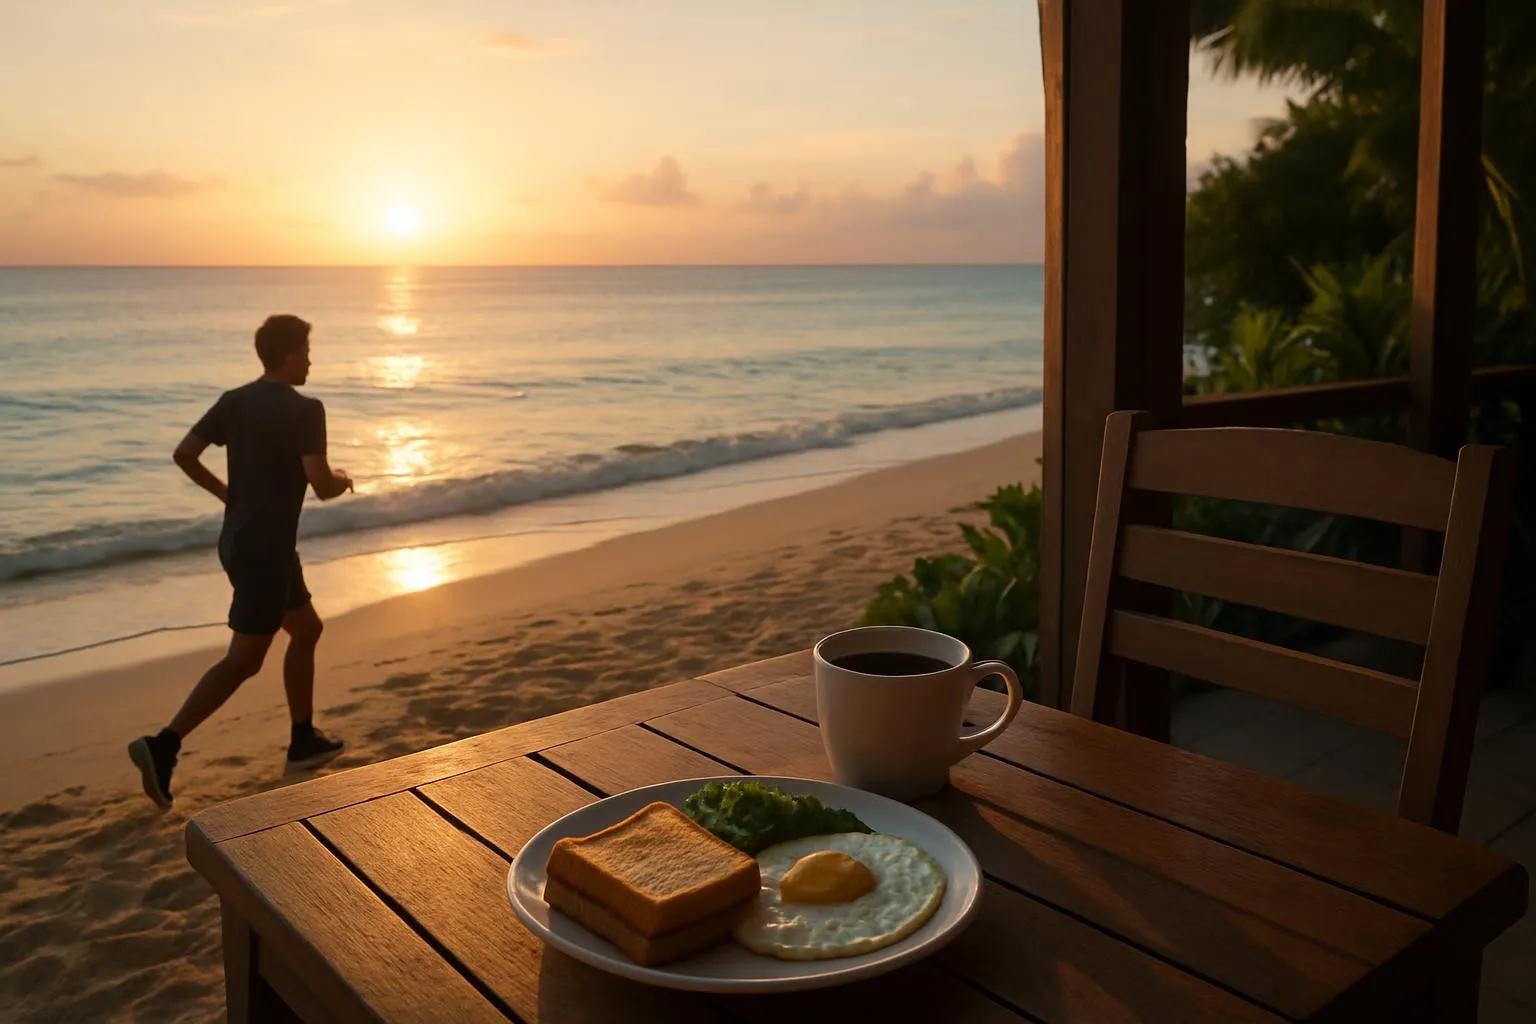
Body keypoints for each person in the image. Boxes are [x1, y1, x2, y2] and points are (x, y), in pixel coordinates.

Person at [128, 314, 354, 809]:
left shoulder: (235, 401)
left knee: (307, 630)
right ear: (290, 353)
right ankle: (163, 744)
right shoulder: (306, 409)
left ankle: (302, 739)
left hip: (241, 542)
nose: (312, 360)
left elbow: (185, 453)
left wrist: (228, 496)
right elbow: (319, 483)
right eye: (308, 350)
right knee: (243, 662)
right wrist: (343, 478)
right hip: (266, 553)